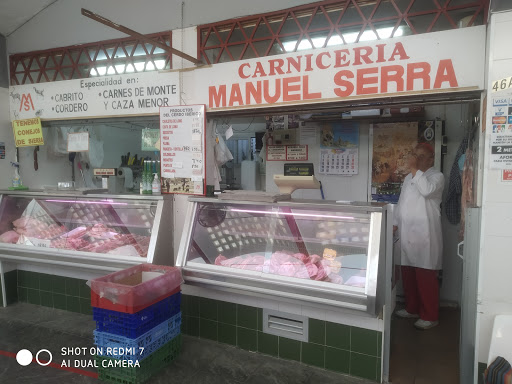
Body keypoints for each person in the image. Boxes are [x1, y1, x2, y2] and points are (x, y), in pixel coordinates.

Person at [394, 143, 445, 330]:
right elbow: (401, 203)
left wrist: (415, 169)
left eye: (421, 156)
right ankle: (412, 308)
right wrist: (395, 222)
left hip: (425, 233)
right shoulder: (409, 177)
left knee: (425, 274)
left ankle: (430, 315)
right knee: (408, 272)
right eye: (415, 155)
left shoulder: (437, 177)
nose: (416, 159)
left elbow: (426, 191)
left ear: (431, 159)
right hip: (406, 231)